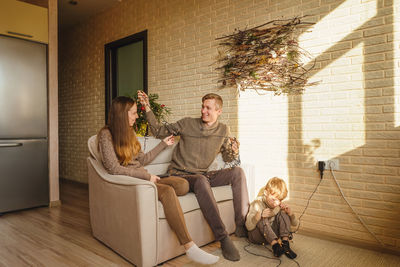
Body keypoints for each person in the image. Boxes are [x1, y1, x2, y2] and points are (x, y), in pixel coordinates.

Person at [97, 96, 219, 265]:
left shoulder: (129, 133)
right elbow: (113, 168)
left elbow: (143, 160)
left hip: (145, 178)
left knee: (183, 185)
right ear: (123, 114)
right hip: (134, 183)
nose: (136, 116)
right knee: (168, 191)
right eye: (133, 113)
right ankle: (189, 247)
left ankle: (157, 185)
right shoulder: (106, 134)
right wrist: (146, 177)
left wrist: (163, 144)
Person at [138, 91, 249, 261]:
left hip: (202, 175)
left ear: (219, 111)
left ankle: (241, 224)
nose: (203, 110)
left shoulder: (224, 130)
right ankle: (223, 237)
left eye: (208, 108)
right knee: (201, 179)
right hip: (180, 174)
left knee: (238, 172)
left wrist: (233, 151)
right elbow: (159, 131)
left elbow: (227, 158)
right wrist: (147, 107)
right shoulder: (187, 123)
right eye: (203, 106)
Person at [245, 177, 298, 259]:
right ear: (266, 193)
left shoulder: (277, 205)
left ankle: (285, 244)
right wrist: (258, 216)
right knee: (262, 216)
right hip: (257, 236)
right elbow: (248, 227)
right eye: (273, 199)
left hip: (271, 235)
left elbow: (296, 225)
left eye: (279, 200)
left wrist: (291, 214)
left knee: (283, 213)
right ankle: (275, 246)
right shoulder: (256, 204)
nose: (276, 203)